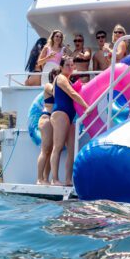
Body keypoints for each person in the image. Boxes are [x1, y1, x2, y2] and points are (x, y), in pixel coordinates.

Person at [50, 57, 88, 186]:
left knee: (72, 149)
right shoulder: (60, 78)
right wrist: (86, 106)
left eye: (72, 65)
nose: (70, 67)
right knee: (58, 147)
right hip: (60, 113)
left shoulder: (67, 80)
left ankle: (68, 180)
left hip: (69, 116)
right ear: (61, 67)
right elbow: (72, 93)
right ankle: (54, 179)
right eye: (67, 65)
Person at [36, 70, 56, 184]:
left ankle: (45, 178)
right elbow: (55, 92)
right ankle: (39, 178)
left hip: (53, 118)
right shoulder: (49, 85)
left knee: (51, 150)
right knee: (45, 149)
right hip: (47, 117)